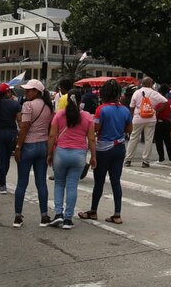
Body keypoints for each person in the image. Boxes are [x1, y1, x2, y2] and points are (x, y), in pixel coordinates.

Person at [79, 79, 131, 223]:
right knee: (116, 181)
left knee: (99, 182)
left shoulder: (101, 109)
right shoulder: (125, 110)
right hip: (119, 147)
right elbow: (129, 129)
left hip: (103, 149)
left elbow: (96, 128)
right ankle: (117, 214)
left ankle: (93, 211)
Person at [48, 90, 95, 229]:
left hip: (61, 153)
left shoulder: (59, 115)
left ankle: (58, 214)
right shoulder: (87, 116)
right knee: (72, 186)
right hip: (79, 155)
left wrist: (49, 154)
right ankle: (68, 219)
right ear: (81, 101)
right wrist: (93, 156)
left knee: (59, 184)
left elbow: (52, 136)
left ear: (67, 99)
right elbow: (91, 139)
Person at [13, 79, 53, 228]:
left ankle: (18, 216)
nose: (26, 92)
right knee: (41, 182)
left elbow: (24, 128)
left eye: (29, 90)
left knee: (22, 183)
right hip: (43, 145)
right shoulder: (48, 106)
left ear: (36, 91)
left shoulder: (27, 105)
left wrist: (18, 147)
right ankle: (44, 216)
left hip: (28, 145)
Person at [124, 77, 167, 168]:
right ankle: (145, 161)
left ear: (142, 84)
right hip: (151, 118)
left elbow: (131, 106)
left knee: (133, 138)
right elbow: (165, 101)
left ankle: (128, 159)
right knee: (148, 140)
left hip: (138, 118)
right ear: (150, 84)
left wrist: (132, 116)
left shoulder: (137, 92)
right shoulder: (154, 93)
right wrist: (157, 110)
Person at [153, 84, 171, 163]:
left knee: (159, 140)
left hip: (159, 122)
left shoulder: (158, 102)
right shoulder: (170, 101)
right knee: (168, 140)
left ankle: (161, 158)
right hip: (167, 122)